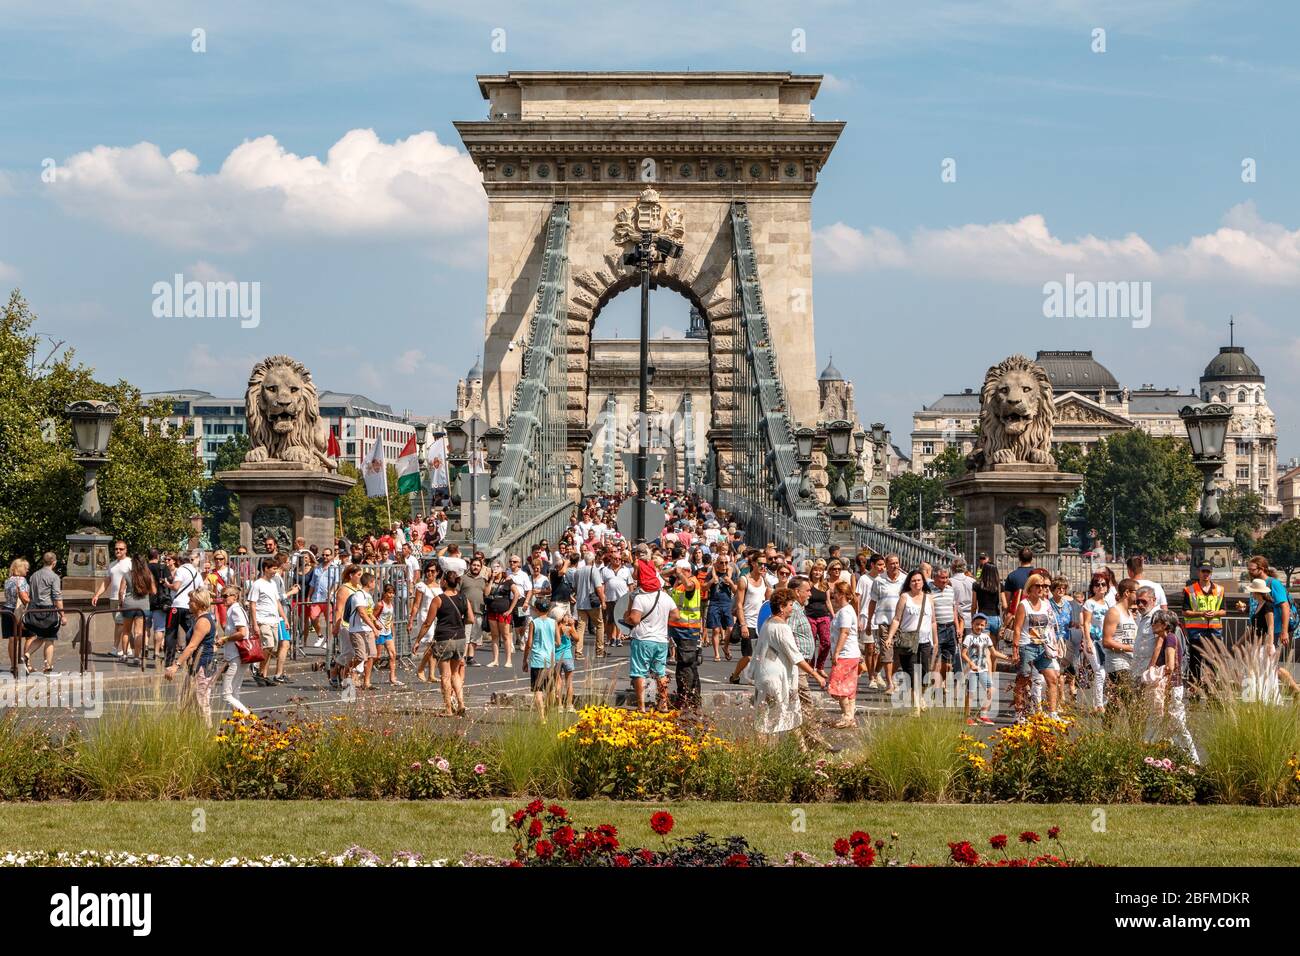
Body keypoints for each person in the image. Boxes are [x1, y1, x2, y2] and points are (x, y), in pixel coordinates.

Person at [752, 587, 827, 738]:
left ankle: (801, 750)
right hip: (778, 679)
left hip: (765, 675)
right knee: (775, 718)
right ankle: (765, 755)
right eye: (790, 604)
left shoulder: (768, 623)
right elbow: (796, 656)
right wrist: (816, 675)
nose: (792, 608)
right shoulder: (782, 628)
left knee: (776, 717)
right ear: (781, 607)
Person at [1144, 608, 1199, 762]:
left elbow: (1170, 666)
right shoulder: (1167, 638)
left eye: (1156, 622)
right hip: (1172, 686)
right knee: (1166, 723)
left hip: (1171, 686)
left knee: (1177, 724)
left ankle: (1193, 759)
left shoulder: (1170, 639)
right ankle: (1168, 755)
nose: (1153, 624)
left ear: (1166, 624)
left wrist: (1157, 677)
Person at [623, 561, 674, 713]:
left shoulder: (640, 598)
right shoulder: (665, 596)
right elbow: (676, 615)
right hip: (661, 640)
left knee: (639, 672)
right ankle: (663, 703)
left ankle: (641, 706)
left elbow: (635, 619)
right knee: (661, 672)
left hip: (643, 639)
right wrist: (663, 621)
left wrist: (626, 618)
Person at [1009, 573, 1062, 720]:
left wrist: (1054, 643)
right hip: (1027, 646)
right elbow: (1018, 628)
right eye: (1037, 585)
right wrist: (1015, 650)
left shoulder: (1046, 604)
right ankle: (1019, 714)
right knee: (1023, 680)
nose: (1041, 588)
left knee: (1052, 678)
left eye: (1043, 586)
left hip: (1043, 647)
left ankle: (1052, 713)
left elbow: (1050, 625)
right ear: (1030, 587)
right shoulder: (1024, 605)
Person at [884, 569, 938, 711]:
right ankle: (916, 707)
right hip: (908, 640)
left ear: (923, 582)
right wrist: (890, 637)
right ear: (909, 583)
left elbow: (933, 621)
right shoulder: (904, 597)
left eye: (919, 580)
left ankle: (921, 697)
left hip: (925, 641)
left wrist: (935, 640)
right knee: (913, 672)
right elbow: (897, 619)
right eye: (913, 580)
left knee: (925, 673)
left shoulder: (929, 598)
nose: (916, 583)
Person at [788, 576, 830, 750]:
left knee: (799, 705)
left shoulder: (798, 608)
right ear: (797, 592)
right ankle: (815, 742)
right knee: (806, 703)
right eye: (807, 591)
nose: (810, 595)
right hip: (798, 665)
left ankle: (806, 744)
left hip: (802, 664)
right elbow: (787, 636)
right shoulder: (794, 610)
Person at [165, 588, 218, 726]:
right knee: (185, 702)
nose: (188, 603)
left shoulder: (203, 621)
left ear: (200, 603)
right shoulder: (199, 619)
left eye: (191, 601)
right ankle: (187, 731)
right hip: (195, 666)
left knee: (201, 703)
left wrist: (176, 665)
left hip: (202, 666)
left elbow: (192, 646)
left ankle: (207, 734)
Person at [430, 572, 472, 717]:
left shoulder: (438, 599)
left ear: (446, 582)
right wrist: (458, 621)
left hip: (444, 638)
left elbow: (428, 622)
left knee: (445, 676)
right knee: (455, 673)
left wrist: (418, 641)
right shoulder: (463, 597)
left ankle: (448, 708)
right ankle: (461, 704)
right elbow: (471, 619)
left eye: (442, 580)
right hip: (460, 638)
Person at [729, 551, 772, 685]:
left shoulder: (765, 580)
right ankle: (735, 675)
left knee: (762, 654)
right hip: (747, 621)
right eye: (760, 564)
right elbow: (740, 605)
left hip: (761, 623)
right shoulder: (744, 580)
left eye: (765, 564)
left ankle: (755, 677)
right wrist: (743, 624)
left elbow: (768, 602)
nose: (763, 567)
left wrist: (769, 585)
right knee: (748, 655)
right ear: (753, 563)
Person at [667, 560, 703, 710]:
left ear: (687, 570)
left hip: (688, 629)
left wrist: (680, 573)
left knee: (686, 665)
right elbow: (660, 576)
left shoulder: (692, 582)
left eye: (680, 572)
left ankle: (686, 698)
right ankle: (692, 699)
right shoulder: (678, 582)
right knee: (686, 664)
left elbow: (689, 586)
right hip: (678, 629)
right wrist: (674, 571)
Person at [1181, 562, 1223, 687]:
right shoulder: (1190, 590)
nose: (1206, 574)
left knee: (1213, 663)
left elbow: (1223, 610)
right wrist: (1201, 614)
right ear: (1199, 572)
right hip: (1196, 632)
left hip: (1214, 632)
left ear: (1211, 573)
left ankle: (1212, 690)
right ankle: (1195, 690)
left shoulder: (1219, 590)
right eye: (1203, 571)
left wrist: (1214, 613)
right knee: (1195, 663)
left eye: (1208, 572)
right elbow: (1185, 612)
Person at [867, 553, 905, 692]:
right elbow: (873, 602)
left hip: (901, 622)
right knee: (887, 653)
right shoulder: (879, 581)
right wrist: (869, 622)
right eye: (892, 563)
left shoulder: (905, 580)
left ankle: (881, 674)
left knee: (899, 655)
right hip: (884, 622)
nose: (895, 566)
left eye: (897, 563)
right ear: (886, 566)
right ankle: (890, 683)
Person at [24, 553, 65, 675]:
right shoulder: (54, 577)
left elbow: (30, 594)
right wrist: (62, 615)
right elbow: (57, 597)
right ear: (54, 562)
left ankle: (27, 654)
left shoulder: (33, 575)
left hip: (34, 610)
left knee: (41, 636)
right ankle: (48, 667)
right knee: (50, 638)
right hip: (48, 611)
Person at [826, 581, 861, 728]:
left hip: (846, 655)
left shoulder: (846, 612)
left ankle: (847, 716)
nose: (833, 595)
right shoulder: (846, 610)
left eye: (835, 593)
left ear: (842, 594)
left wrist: (836, 652)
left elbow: (844, 632)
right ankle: (850, 717)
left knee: (837, 687)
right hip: (851, 654)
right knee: (848, 687)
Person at [960, 614, 1005, 725]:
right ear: (972, 625)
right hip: (973, 671)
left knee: (991, 690)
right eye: (977, 624)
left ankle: (983, 714)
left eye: (982, 625)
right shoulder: (969, 638)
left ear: (985, 626)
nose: (979, 627)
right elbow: (963, 654)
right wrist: (971, 664)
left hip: (983, 669)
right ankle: (968, 717)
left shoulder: (986, 637)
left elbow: (993, 652)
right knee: (971, 694)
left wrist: (1008, 658)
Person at [1101, 578, 1140, 703]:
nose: (1139, 596)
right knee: (1132, 702)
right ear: (1127, 593)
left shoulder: (1129, 613)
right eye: (1137, 592)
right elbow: (1106, 641)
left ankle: (1108, 723)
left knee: (1115, 703)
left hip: (1130, 662)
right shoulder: (1114, 612)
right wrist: (1130, 648)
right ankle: (1136, 723)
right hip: (1118, 663)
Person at [91, 539, 132, 660]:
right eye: (116, 549)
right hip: (113, 598)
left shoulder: (130, 563)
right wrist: (97, 595)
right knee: (120, 623)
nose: (118, 551)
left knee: (120, 623)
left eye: (121, 549)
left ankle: (115, 648)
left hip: (125, 598)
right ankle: (128, 648)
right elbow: (106, 581)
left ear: (126, 550)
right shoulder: (112, 564)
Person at [247, 559, 284, 687]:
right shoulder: (257, 584)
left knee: (272, 648)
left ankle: (264, 674)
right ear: (266, 568)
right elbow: (252, 604)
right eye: (273, 568)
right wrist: (254, 624)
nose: (275, 571)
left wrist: (283, 617)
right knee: (268, 645)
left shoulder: (273, 583)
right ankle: (258, 669)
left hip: (274, 619)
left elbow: (277, 602)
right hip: (263, 619)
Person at [522, 595, 559, 720]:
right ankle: (548, 712)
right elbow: (558, 642)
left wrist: (525, 660)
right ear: (549, 610)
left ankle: (542, 717)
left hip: (537, 659)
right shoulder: (553, 623)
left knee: (537, 689)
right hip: (550, 659)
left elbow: (529, 643)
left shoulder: (534, 622)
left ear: (536, 609)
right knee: (550, 689)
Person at [1079, 573, 1111, 712]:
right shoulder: (1089, 603)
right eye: (1097, 584)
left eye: (1103, 584)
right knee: (1099, 671)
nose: (1100, 587)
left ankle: (1099, 701)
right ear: (1092, 587)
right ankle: (1099, 704)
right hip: (1093, 639)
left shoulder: (1109, 603)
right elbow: (1086, 623)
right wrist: (1088, 641)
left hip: (1105, 641)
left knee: (1105, 671)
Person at [217, 585, 251, 714]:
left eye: (226, 596)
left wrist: (224, 639)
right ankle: (240, 726)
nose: (223, 598)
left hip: (236, 656)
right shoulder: (235, 609)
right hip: (239, 655)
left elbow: (242, 633)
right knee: (235, 692)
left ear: (235, 597)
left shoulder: (235, 610)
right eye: (222, 596)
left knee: (226, 694)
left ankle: (249, 716)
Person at [164, 551, 202, 666]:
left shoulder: (181, 570)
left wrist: (167, 585)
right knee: (191, 632)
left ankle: (169, 661)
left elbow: (176, 587)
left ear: (179, 561)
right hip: (190, 606)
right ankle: (193, 658)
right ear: (190, 560)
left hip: (177, 606)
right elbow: (201, 589)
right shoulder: (197, 572)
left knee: (171, 633)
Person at [117, 553, 156, 665]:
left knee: (126, 631)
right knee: (139, 632)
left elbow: (121, 592)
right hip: (143, 606)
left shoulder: (127, 574)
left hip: (128, 605)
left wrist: (121, 603)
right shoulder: (148, 575)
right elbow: (154, 591)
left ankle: (124, 655)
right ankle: (136, 657)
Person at [483, 563, 517, 668]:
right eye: (493, 567)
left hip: (504, 611)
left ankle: (508, 660)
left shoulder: (508, 581)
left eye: (497, 567)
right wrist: (492, 579)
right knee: (494, 635)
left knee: (505, 635)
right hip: (492, 610)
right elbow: (486, 593)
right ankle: (495, 660)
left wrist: (510, 610)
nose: (495, 569)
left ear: (502, 568)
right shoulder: (490, 580)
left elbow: (517, 594)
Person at [460, 555, 489, 667]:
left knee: (475, 636)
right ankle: (462, 658)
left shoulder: (483, 580)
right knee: (466, 636)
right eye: (474, 565)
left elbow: (486, 593)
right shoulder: (463, 578)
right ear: (470, 566)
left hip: (479, 611)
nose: (476, 567)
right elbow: (457, 592)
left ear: (481, 567)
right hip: (466, 612)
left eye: (478, 565)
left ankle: (470, 658)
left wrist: (490, 581)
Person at [706, 552, 736, 662]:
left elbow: (736, 590)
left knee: (730, 628)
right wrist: (711, 582)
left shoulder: (730, 573)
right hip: (714, 603)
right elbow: (704, 588)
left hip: (727, 603)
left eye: (726, 562)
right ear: (717, 564)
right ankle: (717, 654)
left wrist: (731, 583)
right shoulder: (712, 573)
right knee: (716, 630)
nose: (724, 565)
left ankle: (726, 647)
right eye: (721, 562)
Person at [3, 558, 31, 677]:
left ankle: (13, 665)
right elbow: (24, 598)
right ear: (20, 568)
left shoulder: (8, 580)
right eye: (25, 568)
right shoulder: (22, 580)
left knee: (12, 638)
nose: (27, 570)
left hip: (7, 610)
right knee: (32, 635)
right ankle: (25, 662)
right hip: (18, 611)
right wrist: (31, 602)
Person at [805, 561, 833, 676]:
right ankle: (811, 668)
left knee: (826, 642)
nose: (817, 573)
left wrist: (833, 615)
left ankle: (820, 666)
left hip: (823, 616)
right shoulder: (807, 584)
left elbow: (828, 601)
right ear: (811, 572)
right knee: (811, 643)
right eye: (815, 570)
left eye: (820, 571)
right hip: (810, 616)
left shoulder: (825, 585)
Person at [374, 583, 403, 686]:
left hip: (388, 633)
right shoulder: (380, 604)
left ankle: (392, 678)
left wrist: (392, 632)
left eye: (392, 593)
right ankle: (363, 671)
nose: (391, 595)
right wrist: (376, 627)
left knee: (393, 654)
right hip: (380, 633)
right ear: (385, 593)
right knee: (377, 656)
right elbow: (373, 617)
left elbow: (391, 620)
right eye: (389, 593)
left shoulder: (391, 605)